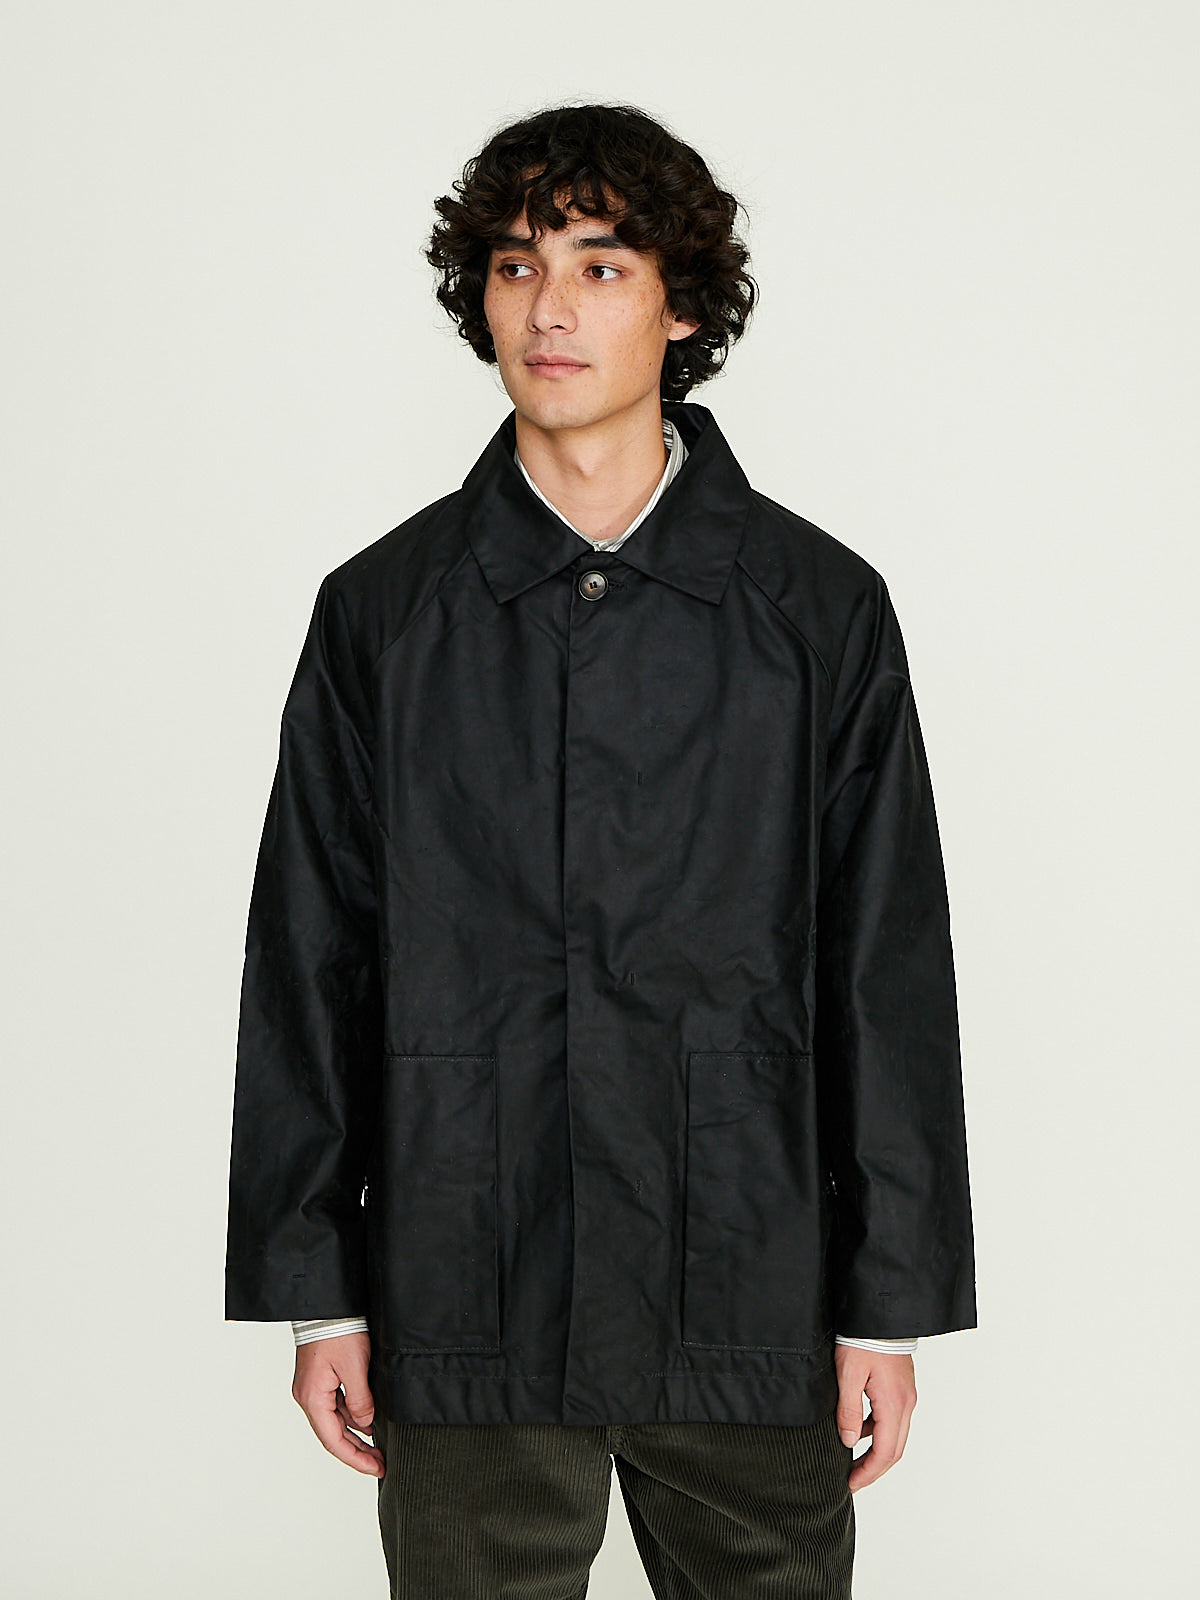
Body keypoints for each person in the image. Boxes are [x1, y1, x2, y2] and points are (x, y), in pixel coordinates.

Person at [224, 101, 976, 1600]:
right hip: (467, 1276)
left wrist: (885, 1304)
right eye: (515, 266)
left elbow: (883, 962)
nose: (549, 309)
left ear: (682, 305)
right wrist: (320, 1295)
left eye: (601, 266)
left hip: (747, 1281)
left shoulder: (817, 610)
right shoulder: (384, 613)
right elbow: (312, 952)